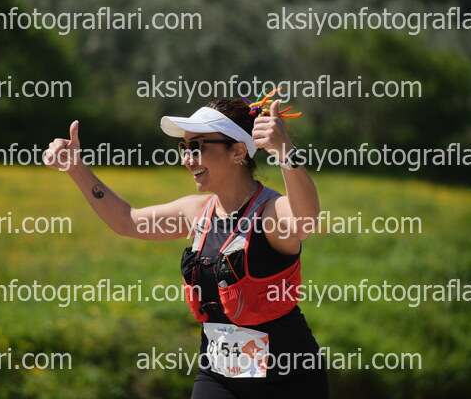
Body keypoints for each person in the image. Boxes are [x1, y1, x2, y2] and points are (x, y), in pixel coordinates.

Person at [44, 97, 329, 399]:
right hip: (218, 378)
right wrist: (76, 168)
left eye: (198, 147)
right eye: (185, 148)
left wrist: (285, 152)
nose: (188, 159)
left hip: (289, 381)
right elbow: (127, 220)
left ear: (237, 151)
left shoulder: (270, 212)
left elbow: (304, 222)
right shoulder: (197, 212)